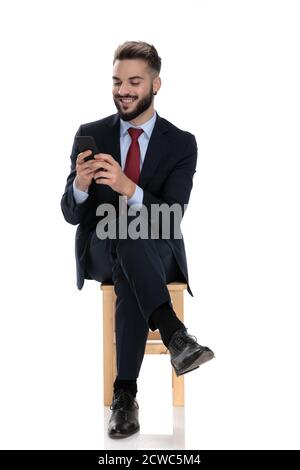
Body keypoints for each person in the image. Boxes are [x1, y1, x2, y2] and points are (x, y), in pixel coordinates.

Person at [61, 40, 214, 439]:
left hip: (156, 249)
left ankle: (124, 397)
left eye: (133, 81)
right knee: (121, 237)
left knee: (130, 246)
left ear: (155, 84)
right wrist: (80, 183)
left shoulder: (181, 143)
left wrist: (129, 187)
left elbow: (174, 214)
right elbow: (71, 213)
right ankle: (174, 334)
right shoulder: (90, 134)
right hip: (99, 246)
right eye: (116, 81)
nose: (123, 90)